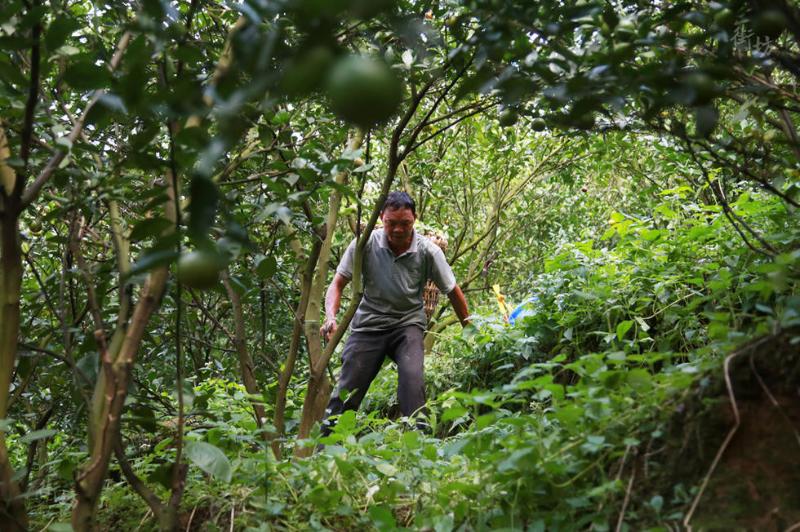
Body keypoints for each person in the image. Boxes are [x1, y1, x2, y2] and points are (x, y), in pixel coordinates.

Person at [320, 191, 470, 435]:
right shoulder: (364, 243)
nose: (398, 230)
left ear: (415, 220)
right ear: (381, 218)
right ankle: (325, 452)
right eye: (392, 223)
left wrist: (470, 329)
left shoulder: (428, 251)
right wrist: (330, 317)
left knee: (413, 383)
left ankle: (418, 449)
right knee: (346, 392)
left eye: (405, 224)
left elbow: (453, 291)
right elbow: (337, 283)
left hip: (407, 324)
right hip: (369, 325)